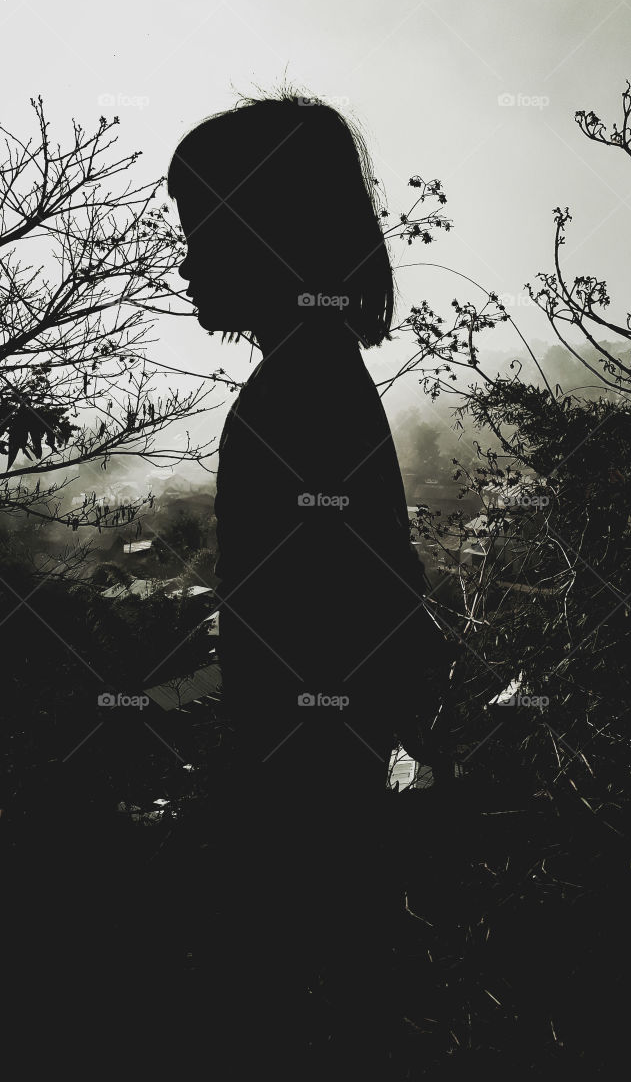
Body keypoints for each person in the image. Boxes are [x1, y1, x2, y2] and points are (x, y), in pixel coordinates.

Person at [168, 92, 438, 1065]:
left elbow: (315, 630)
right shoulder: (320, 379)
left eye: (203, 228)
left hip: (302, 810)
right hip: (329, 798)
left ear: (265, 234)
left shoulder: (293, 399)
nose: (187, 257)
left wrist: (263, 815)